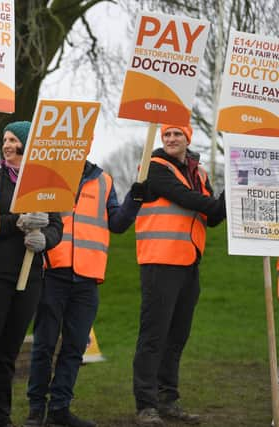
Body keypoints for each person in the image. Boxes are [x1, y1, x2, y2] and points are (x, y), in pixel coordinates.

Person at [24, 159, 146, 427]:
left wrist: (135, 199)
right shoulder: (49, 175)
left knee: (75, 346)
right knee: (44, 344)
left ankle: (59, 407)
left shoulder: (105, 180)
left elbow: (117, 223)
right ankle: (36, 408)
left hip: (88, 277)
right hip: (51, 270)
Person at [0, 121, 63, 427]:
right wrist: (17, 222)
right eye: (4, 140)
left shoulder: (46, 182)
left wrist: (45, 238)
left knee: (8, 353)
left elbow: (57, 225)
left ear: (27, 144)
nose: (6, 145)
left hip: (30, 277)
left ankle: (1, 417)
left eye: (13, 140)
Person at [132, 124, 225, 427]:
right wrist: (223, 200)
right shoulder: (154, 167)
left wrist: (237, 188)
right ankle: (146, 405)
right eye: (167, 135)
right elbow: (188, 199)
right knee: (154, 336)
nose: (171, 140)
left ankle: (168, 399)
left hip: (188, 263)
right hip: (160, 261)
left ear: (188, 138)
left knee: (177, 337)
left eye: (177, 135)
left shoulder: (199, 174)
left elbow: (212, 217)